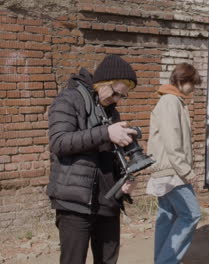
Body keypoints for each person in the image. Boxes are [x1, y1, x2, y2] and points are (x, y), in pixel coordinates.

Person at [47, 54, 139, 264]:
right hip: (75, 202)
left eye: (122, 97)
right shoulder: (68, 99)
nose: (117, 100)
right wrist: (105, 133)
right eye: (116, 93)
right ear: (103, 82)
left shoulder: (111, 113)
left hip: (107, 202)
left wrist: (124, 179)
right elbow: (59, 142)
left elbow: (109, 156)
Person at [146, 63, 202, 264]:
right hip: (173, 172)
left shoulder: (171, 101)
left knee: (167, 217)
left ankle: (161, 260)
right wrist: (187, 172)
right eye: (192, 84)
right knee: (191, 215)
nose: (193, 89)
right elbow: (173, 141)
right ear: (181, 81)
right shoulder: (170, 101)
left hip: (166, 170)